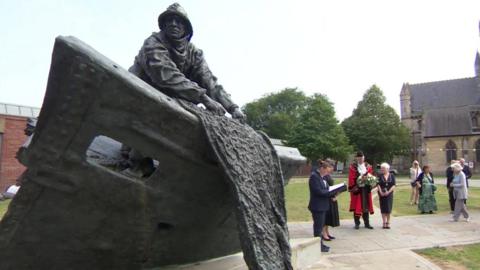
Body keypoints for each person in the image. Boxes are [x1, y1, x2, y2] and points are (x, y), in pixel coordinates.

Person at [129, 3, 245, 122]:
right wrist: (203, 98)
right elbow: (165, 73)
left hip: (172, 100)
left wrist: (232, 107)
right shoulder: (153, 43)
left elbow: (209, 81)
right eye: (170, 20)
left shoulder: (194, 53)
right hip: (139, 95)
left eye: (178, 21)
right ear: (164, 25)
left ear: (186, 27)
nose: (174, 24)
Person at [308, 160, 334, 252]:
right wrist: (330, 192)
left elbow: (326, 188)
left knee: (320, 225)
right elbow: (318, 191)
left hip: (323, 205)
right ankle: (318, 246)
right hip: (317, 206)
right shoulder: (314, 177)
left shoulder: (323, 177)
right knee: (318, 227)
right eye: (326, 170)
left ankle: (320, 244)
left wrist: (333, 193)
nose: (328, 173)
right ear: (322, 168)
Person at [348, 151, 374, 229]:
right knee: (357, 206)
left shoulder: (368, 166)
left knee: (366, 206)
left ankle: (367, 223)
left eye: (361, 158)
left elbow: (370, 175)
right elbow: (351, 178)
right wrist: (358, 182)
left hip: (365, 190)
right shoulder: (353, 167)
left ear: (364, 158)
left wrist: (369, 180)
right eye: (358, 159)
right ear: (356, 159)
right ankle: (357, 223)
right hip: (357, 190)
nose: (360, 160)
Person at [322, 169, 340, 241]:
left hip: (331, 197)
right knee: (325, 216)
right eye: (331, 167)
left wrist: (336, 193)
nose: (332, 169)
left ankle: (327, 232)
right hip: (327, 198)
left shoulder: (328, 175)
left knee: (329, 217)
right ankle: (324, 233)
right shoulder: (323, 176)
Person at [377, 163, 396, 229]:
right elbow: (378, 184)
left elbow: (393, 185)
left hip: (389, 194)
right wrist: (381, 192)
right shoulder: (379, 176)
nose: (382, 170)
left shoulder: (392, 175)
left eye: (383, 169)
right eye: (381, 169)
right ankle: (384, 222)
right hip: (382, 194)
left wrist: (388, 192)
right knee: (383, 208)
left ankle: (388, 222)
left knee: (388, 208)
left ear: (387, 169)